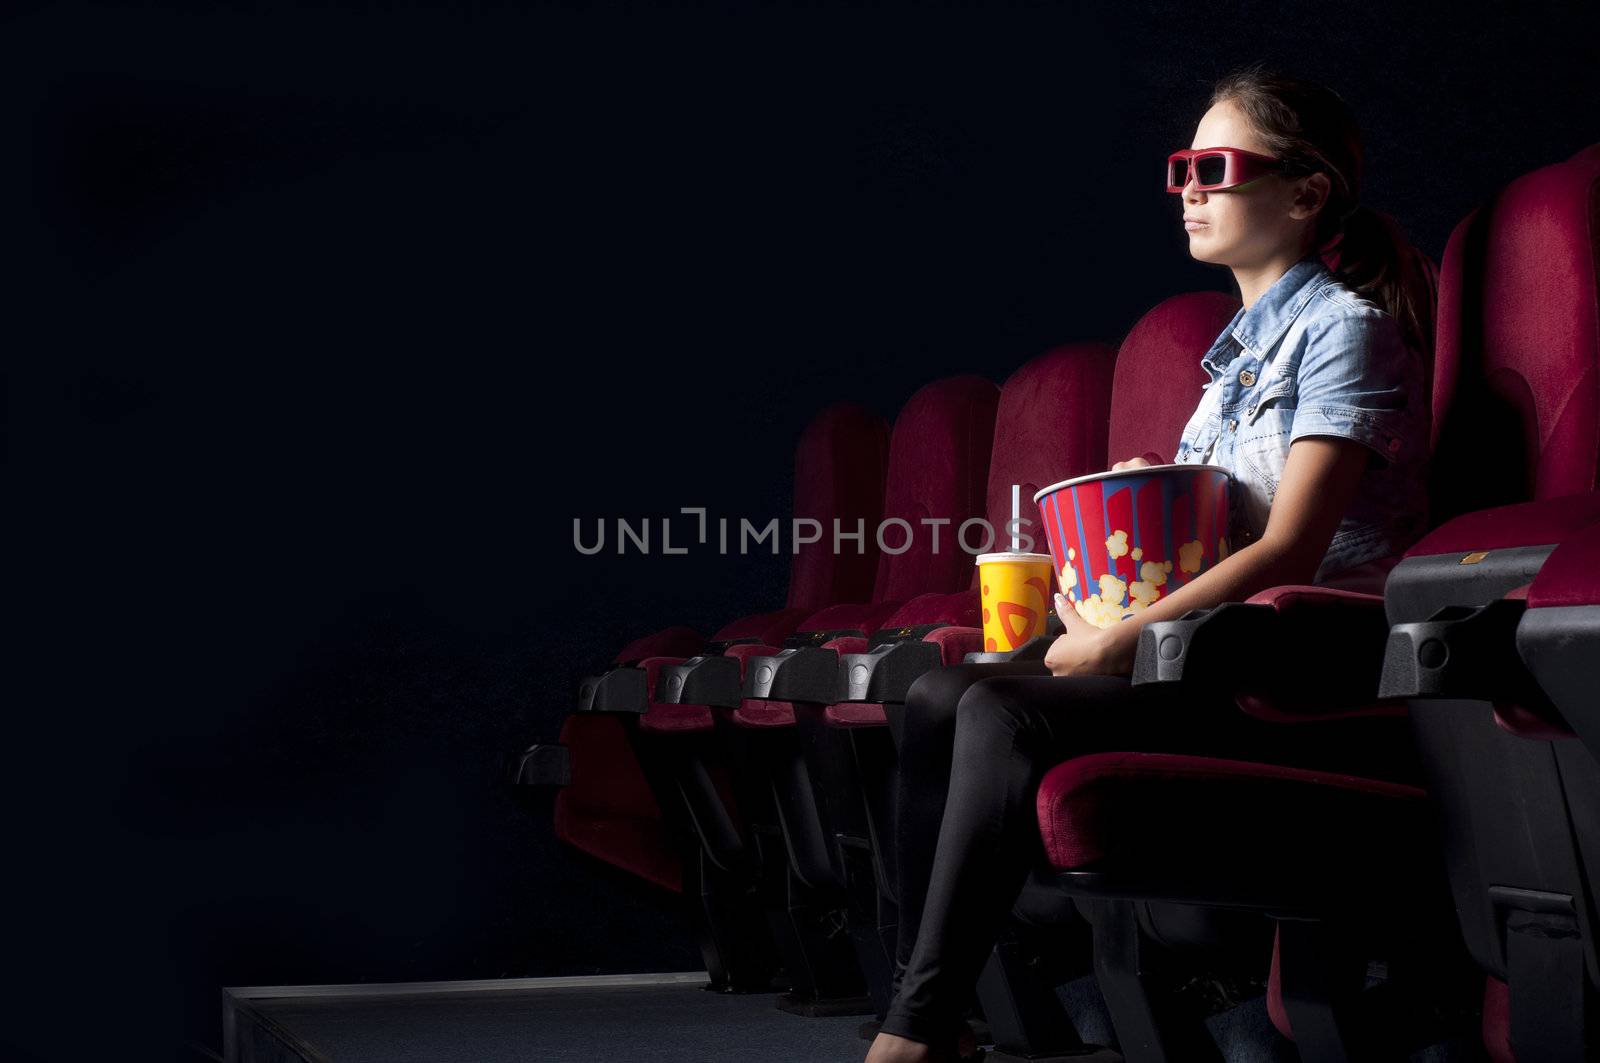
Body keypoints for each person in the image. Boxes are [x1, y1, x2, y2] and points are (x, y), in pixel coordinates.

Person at [864, 64, 1432, 1063]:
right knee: (938, 693)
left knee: (1001, 709)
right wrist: (1138, 519)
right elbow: (1199, 550)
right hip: (1202, 645)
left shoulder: (1346, 329)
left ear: (1303, 194)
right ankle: (937, 1011)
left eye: (1214, 168)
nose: (1187, 190)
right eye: (1181, 169)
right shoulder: (1232, 368)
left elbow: (1291, 546)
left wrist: (1116, 638)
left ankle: (909, 1032)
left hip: (1297, 668)